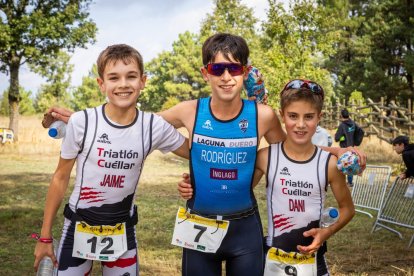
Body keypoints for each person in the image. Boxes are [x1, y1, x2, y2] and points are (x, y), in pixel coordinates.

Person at [44, 34, 365, 276]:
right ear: (206, 73)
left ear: (245, 71)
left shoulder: (264, 116)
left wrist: (335, 151)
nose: (226, 76)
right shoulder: (187, 111)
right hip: (198, 225)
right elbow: (134, 121)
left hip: (245, 228)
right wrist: (79, 119)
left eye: (234, 68)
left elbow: (292, 150)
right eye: (218, 68)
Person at [33, 44, 189, 275]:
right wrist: (45, 237)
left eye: (131, 76)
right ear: (101, 84)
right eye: (114, 78)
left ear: (143, 81)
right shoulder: (81, 122)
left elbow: (197, 152)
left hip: (122, 231)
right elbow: (60, 177)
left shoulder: (153, 126)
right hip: (77, 226)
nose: (123, 84)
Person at [180, 79, 355, 275]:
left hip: (314, 260)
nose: (300, 124)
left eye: (309, 117)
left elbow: (347, 208)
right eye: (293, 116)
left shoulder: (329, 164)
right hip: (272, 262)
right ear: (282, 116)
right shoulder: (265, 157)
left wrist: (326, 232)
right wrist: (194, 182)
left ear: (319, 117)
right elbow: (235, 181)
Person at [335, 109, 357, 186]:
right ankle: (350, 182)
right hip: (352, 147)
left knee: (342, 165)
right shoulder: (353, 124)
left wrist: (341, 137)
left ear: (341, 115)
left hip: (344, 148)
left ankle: (342, 183)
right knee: (350, 164)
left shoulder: (342, 125)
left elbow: (337, 138)